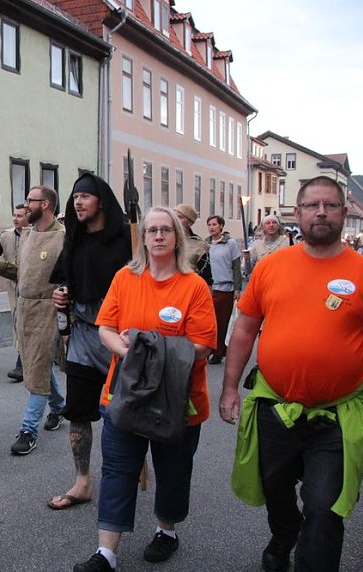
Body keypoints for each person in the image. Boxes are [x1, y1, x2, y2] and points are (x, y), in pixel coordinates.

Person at [219, 175, 363, 572]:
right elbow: (245, 328)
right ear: (295, 215)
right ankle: (284, 534)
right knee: (276, 490)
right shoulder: (271, 268)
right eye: (312, 205)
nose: (321, 212)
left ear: (343, 212)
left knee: (324, 510)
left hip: (335, 417)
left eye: (330, 205)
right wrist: (229, 388)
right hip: (274, 410)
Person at [74, 207, 216, 572]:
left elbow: (203, 344)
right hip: (125, 394)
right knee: (118, 470)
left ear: (176, 237)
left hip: (177, 400)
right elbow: (105, 327)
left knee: (172, 470)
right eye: (151, 230)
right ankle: (106, 553)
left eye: (165, 230)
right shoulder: (125, 278)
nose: (157, 236)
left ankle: (166, 531)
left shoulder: (193, 285)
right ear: (144, 238)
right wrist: (129, 351)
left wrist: (146, 349)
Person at [47, 173, 130, 510]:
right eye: (75, 196)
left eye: (85, 196)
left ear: (102, 200)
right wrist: (60, 295)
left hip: (120, 338)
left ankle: (127, 472)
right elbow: (64, 279)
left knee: (125, 413)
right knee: (78, 411)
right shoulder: (74, 239)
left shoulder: (127, 239)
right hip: (82, 334)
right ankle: (82, 482)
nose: (78, 201)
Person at [0, 185, 66, 455]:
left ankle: (28, 429)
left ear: (45, 205)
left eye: (30, 201)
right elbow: (20, 273)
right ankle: (58, 406)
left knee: (39, 365)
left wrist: (66, 295)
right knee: (35, 363)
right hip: (24, 308)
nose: (25, 205)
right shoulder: (28, 236)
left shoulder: (64, 237)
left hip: (48, 310)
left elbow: (71, 278)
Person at [0, 203, 29, 381]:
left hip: (32, 286)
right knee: (19, 323)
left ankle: (23, 364)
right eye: (14, 215)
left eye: (19, 216)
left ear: (28, 217)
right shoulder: (6, 236)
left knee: (26, 324)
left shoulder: (35, 236)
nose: (15, 218)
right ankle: (26, 361)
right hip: (14, 287)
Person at [205, 214, 241, 364]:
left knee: (221, 321)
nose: (212, 227)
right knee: (208, 321)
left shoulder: (230, 243)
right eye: (209, 225)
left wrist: (237, 288)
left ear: (221, 226)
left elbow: (236, 267)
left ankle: (219, 352)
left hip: (225, 288)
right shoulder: (205, 244)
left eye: (214, 224)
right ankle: (208, 349)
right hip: (209, 287)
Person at [173, 204, 212, 285]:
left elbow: (206, 280)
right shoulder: (163, 239)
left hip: (187, 289)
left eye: (180, 217)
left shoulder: (199, 246)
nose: (175, 220)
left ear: (190, 222)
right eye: (174, 216)